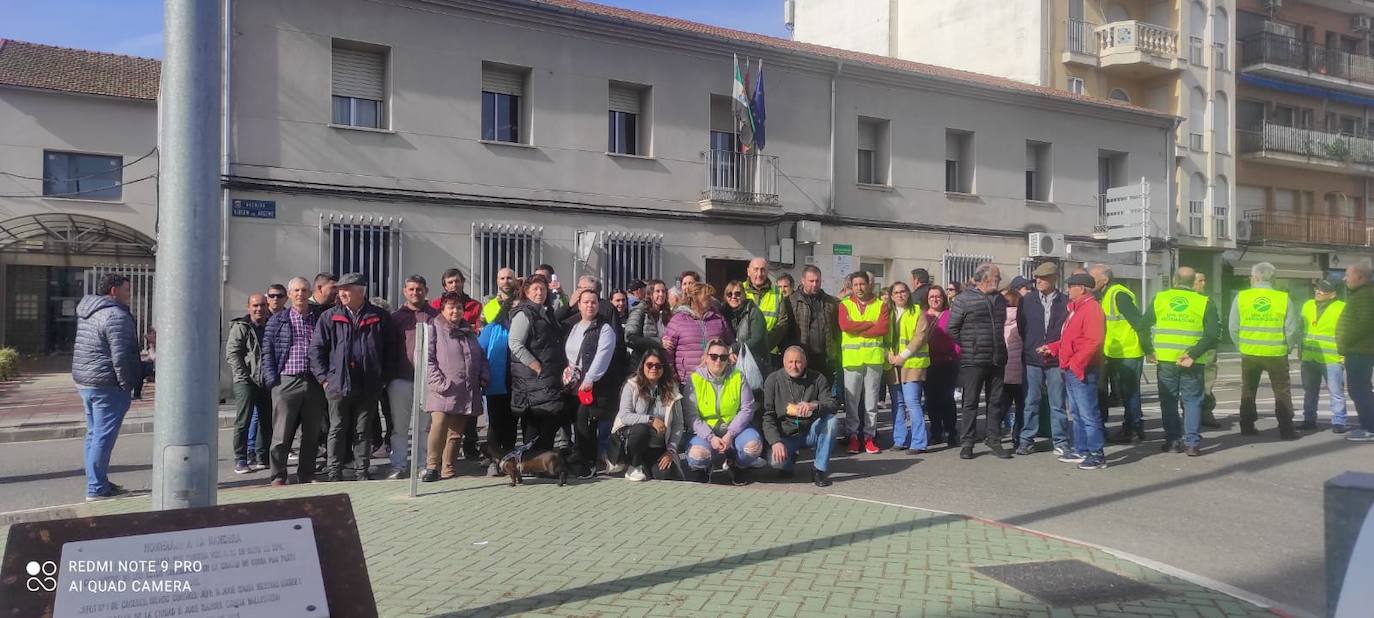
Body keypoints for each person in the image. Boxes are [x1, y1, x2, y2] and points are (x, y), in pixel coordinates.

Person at [311, 273, 395, 481]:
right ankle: (334, 471)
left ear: (361, 291)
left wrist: (383, 379)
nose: (341, 293)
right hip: (337, 383)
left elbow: (391, 350)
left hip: (369, 384)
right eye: (340, 289)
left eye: (346, 289)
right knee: (337, 429)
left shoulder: (379, 316)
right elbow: (316, 350)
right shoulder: (329, 317)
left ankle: (361, 470)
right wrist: (324, 379)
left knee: (362, 429)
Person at [73, 273, 140, 501]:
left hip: (86, 381)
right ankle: (96, 488)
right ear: (114, 291)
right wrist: (127, 384)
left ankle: (98, 481)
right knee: (102, 437)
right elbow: (120, 356)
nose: (129, 295)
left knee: (94, 434)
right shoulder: (116, 315)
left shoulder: (89, 311)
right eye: (126, 290)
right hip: (107, 384)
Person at [1147, 267, 1221, 456]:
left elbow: (1142, 325)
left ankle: (1172, 441)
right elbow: (1213, 333)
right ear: (1193, 281)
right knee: (1192, 400)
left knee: (1168, 401)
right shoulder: (1204, 302)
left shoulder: (1160, 298)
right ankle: (1192, 444)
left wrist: (1148, 350)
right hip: (1192, 361)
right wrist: (1193, 354)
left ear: (1174, 280)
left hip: (1165, 359)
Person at [262, 277, 326, 486]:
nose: (300, 294)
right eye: (296, 290)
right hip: (286, 381)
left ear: (310, 293)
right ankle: (278, 476)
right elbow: (267, 352)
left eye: (304, 290)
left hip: (313, 382)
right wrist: (273, 381)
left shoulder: (319, 317)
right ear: (289, 295)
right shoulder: (278, 320)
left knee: (311, 434)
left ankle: (306, 474)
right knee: (281, 434)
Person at [421, 292, 489, 481]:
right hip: (442, 389)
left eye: (459, 307)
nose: (455, 311)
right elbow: (427, 358)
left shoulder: (468, 331)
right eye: (451, 307)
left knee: (456, 432)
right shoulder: (434, 328)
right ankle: (432, 466)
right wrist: (439, 382)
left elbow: (480, 356)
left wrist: (483, 375)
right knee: (439, 424)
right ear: (442, 309)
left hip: (465, 389)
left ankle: (448, 467)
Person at [1229, 262, 1300, 440]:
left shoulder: (1242, 297)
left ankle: (1246, 425)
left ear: (1254, 277)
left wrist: (1241, 346)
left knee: (1248, 389)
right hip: (1276, 353)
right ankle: (1286, 429)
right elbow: (1291, 329)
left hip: (1250, 352)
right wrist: (1287, 347)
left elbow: (1233, 327)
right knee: (1282, 391)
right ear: (1273, 278)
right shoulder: (1283, 299)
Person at [1045, 273, 1108, 470]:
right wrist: (1053, 348)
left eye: (1071, 286)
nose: (1068, 289)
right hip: (1072, 367)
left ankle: (1097, 455)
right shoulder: (1076, 309)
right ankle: (1082, 450)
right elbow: (1070, 339)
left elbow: (1093, 341)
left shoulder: (1091, 309)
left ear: (1081, 289)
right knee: (1077, 412)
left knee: (1088, 413)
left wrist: (1076, 363)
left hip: (1083, 368)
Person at [948, 263, 1011, 460]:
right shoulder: (964, 299)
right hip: (973, 359)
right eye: (997, 277)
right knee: (970, 402)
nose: (999, 281)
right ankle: (967, 442)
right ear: (985, 279)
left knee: (995, 401)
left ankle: (994, 439)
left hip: (997, 357)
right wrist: (970, 345)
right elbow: (952, 328)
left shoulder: (1000, 299)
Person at [683, 339, 764, 485]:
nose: (718, 361)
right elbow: (691, 416)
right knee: (698, 455)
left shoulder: (738, 376)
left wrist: (730, 434)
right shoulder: (694, 379)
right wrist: (711, 438)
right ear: (706, 358)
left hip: (735, 430)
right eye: (714, 356)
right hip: (705, 432)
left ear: (728, 359)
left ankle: (737, 465)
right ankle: (704, 467)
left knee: (753, 447)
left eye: (723, 357)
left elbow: (747, 408)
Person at [1090, 265, 1150, 444]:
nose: (1090, 281)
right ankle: (1132, 427)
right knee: (1124, 393)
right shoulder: (1105, 295)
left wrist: (1148, 349)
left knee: (1130, 393)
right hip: (1114, 352)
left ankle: (1133, 428)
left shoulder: (1118, 295)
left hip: (1128, 352)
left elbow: (1139, 322)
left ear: (1105, 279)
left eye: (1093, 277)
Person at [386, 275, 438, 479]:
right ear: (404, 291)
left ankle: (422, 465)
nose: (415, 293)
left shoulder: (435, 317)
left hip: (427, 379)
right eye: (411, 289)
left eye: (419, 289)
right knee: (399, 427)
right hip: (400, 378)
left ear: (426, 291)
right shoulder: (395, 318)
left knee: (424, 427)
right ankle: (398, 465)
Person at [764, 346, 839, 487]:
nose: (794, 366)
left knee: (832, 422)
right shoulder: (773, 380)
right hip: (786, 434)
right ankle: (789, 460)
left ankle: (819, 469)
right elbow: (767, 416)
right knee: (775, 462)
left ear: (805, 363)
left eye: (798, 362)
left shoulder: (818, 378)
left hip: (810, 431)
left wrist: (814, 405)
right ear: (784, 362)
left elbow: (833, 404)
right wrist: (775, 442)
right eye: (790, 362)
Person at [508, 275, 567, 452]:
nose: (539, 292)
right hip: (532, 379)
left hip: (547, 378)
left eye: (542, 289)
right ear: (526, 292)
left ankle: (542, 460)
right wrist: (536, 366)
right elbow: (515, 343)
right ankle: (531, 461)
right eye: (535, 289)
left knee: (548, 423)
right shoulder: (524, 313)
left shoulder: (546, 312)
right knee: (535, 425)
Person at [1016, 262, 1070, 456]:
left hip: (1056, 360)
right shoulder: (1027, 301)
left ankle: (1061, 441)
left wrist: (1054, 348)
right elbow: (1022, 327)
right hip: (1032, 358)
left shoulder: (1065, 302)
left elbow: (1067, 331)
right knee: (1031, 401)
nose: (1038, 280)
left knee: (1057, 403)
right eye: (1037, 277)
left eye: (1043, 277)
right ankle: (1026, 440)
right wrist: (1032, 345)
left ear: (1054, 279)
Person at [564, 289, 619, 477]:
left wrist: (589, 379)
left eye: (593, 302)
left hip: (591, 386)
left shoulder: (605, 329)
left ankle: (588, 463)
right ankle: (579, 459)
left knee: (585, 424)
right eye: (586, 302)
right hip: (573, 384)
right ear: (579, 305)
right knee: (577, 424)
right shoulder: (574, 326)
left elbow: (602, 356)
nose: (590, 305)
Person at [608, 349, 686, 481]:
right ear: (642, 366)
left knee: (668, 476)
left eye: (658, 366)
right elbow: (625, 416)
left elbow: (678, 424)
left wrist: (671, 450)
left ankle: (648, 468)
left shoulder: (672, 388)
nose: (653, 368)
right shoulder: (631, 385)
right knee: (641, 430)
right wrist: (651, 420)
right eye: (649, 365)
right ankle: (633, 465)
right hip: (635, 443)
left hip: (659, 446)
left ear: (663, 368)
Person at [839, 271, 890, 455]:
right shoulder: (844, 304)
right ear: (851, 287)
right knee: (851, 402)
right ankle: (853, 437)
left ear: (869, 285)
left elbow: (882, 328)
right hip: (852, 360)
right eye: (855, 285)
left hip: (873, 360)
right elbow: (845, 326)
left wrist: (858, 329)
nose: (859, 288)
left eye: (862, 284)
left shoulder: (880, 304)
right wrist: (869, 324)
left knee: (871, 402)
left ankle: (869, 437)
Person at [227, 293, 272, 474]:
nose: (259, 309)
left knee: (266, 419)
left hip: (266, 380)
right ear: (249, 307)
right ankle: (241, 459)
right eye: (255, 305)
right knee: (243, 421)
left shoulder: (271, 325)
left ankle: (262, 457)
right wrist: (243, 375)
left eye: (262, 305)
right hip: (245, 381)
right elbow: (233, 354)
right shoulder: (241, 327)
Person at [884, 282, 930, 452]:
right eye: (896, 293)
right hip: (893, 364)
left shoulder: (917, 311)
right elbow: (883, 338)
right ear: (891, 296)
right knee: (897, 403)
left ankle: (919, 443)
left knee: (912, 402)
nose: (900, 295)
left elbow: (920, 337)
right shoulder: (888, 313)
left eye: (903, 292)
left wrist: (902, 356)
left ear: (908, 293)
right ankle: (899, 440)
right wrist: (888, 355)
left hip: (912, 364)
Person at [1300, 279, 1347, 432]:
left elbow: (1346, 333)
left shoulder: (1341, 308)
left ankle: (1339, 422)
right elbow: (1302, 328)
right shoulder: (1307, 305)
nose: (1318, 292)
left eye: (1323, 290)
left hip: (1331, 358)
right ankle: (1309, 420)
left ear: (1333, 294)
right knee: (1310, 391)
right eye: (1318, 288)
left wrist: (1344, 355)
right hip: (1309, 356)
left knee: (1336, 391)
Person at [662, 283, 733, 383]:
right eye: (707, 297)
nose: (711, 300)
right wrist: (673, 376)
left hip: (716, 379)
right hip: (688, 381)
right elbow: (668, 351)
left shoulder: (718, 318)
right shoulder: (678, 320)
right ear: (695, 297)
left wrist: (730, 353)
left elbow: (730, 342)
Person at [477, 283, 515, 471]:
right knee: (495, 423)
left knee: (511, 423)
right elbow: (479, 351)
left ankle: (509, 460)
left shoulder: (521, 324)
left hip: (517, 382)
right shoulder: (491, 328)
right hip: (496, 381)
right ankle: (494, 460)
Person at [785, 265, 840, 387]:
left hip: (825, 357)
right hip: (802, 357)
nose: (815, 284)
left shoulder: (831, 302)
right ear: (803, 280)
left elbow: (836, 328)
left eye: (818, 281)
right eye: (811, 281)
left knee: (825, 390)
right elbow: (787, 331)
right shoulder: (791, 301)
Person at [1337, 262, 1374, 442]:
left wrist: (1345, 342)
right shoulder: (1361, 294)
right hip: (1359, 350)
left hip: (1359, 351)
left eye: (1347, 275)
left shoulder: (1364, 296)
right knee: (1359, 390)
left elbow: (1365, 323)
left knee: (1360, 390)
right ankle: (1368, 425)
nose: (1345, 278)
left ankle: (1370, 428)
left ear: (1359, 277)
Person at [924, 286, 960, 447]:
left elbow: (958, 336)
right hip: (928, 363)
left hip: (948, 362)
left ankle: (951, 432)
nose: (935, 299)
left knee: (947, 399)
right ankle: (936, 432)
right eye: (931, 296)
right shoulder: (923, 316)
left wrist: (955, 352)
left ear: (943, 298)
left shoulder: (950, 315)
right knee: (931, 400)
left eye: (938, 296)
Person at [741, 257, 793, 361]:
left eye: (763, 270)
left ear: (767, 272)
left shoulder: (777, 293)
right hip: (742, 352)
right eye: (756, 269)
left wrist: (765, 344)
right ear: (748, 271)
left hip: (768, 353)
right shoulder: (739, 291)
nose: (759, 274)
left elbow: (782, 323)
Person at [722, 280, 771, 383]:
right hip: (731, 363)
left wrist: (733, 349)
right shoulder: (723, 313)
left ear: (744, 295)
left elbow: (756, 339)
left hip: (755, 363)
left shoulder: (754, 312)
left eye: (737, 294)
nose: (733, 297)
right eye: (729, 294)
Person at [1193, 271, 1222, 428]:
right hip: (1192, 346)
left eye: (1204, 280)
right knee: (1191, 383)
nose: (1203, 284)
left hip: (1207, 347)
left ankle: (1205, 413)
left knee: (1207, 382)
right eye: (1200, 280)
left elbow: (1215, 323)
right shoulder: (1198, 301)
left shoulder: (1207, 300)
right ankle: (1194, 413)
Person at [1001, 282, 1026, 445]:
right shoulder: (1022, 321)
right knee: (1021, 406)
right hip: (1020, 371)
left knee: (1002, 405)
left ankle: (994, 432)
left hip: (1003, 371)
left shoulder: (999, 321)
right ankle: (1018, 435)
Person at [625, 279, 670, 364]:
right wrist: (658, 343)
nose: (661, 294)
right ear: (650, 294)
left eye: (663, 291)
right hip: (641, 362)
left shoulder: (666, 313)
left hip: (661, 362)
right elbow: (629, 338)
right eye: (657, 291)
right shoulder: (640, 310)